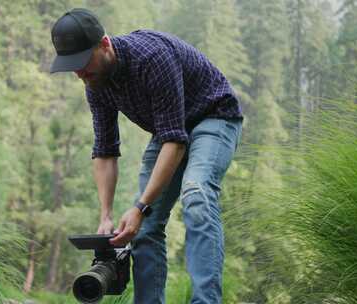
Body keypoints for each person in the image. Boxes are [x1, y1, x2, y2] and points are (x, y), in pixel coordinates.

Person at [50, 8, 243, 304]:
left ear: (104, 44)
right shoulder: (95, 83)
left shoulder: (151, 58)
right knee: (143, 229)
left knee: (196, 194)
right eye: (72, 66)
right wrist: (106, 216)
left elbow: (176, 143)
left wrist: (140, 206)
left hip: (213, 117)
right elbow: (105, 150)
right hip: (169, 131)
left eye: (82, 62)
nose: (79, 73)